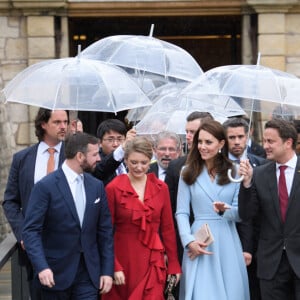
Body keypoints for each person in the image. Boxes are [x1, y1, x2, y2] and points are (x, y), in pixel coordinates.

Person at [22, 132, 114, 299]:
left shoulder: (96, 186)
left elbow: (105, 232)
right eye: (94, 154)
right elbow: (31, 231)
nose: (99, 159)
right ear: (80, 156)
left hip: (89, 275)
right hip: (54, 275)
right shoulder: (45, 187)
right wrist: (41, 267)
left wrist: (107, 271)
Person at [176, 120, 250, 300]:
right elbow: (182, 212)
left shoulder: (236, 171)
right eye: (199, 142)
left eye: (208, 142)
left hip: (227, 240)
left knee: (231, 292)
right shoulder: (187, 172)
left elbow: (241, 214)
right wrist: (188, 240)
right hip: (198, 241)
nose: (202, 146)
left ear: (221, 144)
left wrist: (225, 210)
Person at [103, 137, 182, 300]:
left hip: (153, 259)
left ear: (150, 159)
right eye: (133, 162)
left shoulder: (161, 188)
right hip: (124, 259)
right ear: (125, 160)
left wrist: (174, 265)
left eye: (144, 163)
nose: (139, 167)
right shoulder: (113, 188)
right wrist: (113, 265)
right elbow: (105, 232)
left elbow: (168, 229)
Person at [2, 108, 69, 300]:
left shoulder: (74, 157)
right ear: (43, 124)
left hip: (68, 246)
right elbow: (10, 201)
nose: (63, 126)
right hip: (34, 246)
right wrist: (23, 234)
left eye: (65, 121)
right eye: (57, 122)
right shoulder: (22, 159)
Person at [239, 118, 300, 300]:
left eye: (270, 141)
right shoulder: (258, 174)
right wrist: (247, 183)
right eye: (264, 141)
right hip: (270, 263)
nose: (265, 146)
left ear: (288, 142)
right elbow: (247, 214)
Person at [223, 117, 267, 300]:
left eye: (240, 136)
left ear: (248, 135)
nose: (237, 141)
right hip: (226, 236)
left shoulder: (261, 165)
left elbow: (259, 211)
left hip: (257, 245)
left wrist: (249, 247)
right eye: (231, 137)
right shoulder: (216, 165)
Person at [93, 118, 136, 185]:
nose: (116, 144)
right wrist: (122, 148)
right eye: (110, 140)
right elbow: (101, 170)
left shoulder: (130, 158)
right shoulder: (95, 161)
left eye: (119, 139)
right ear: (100, 143)